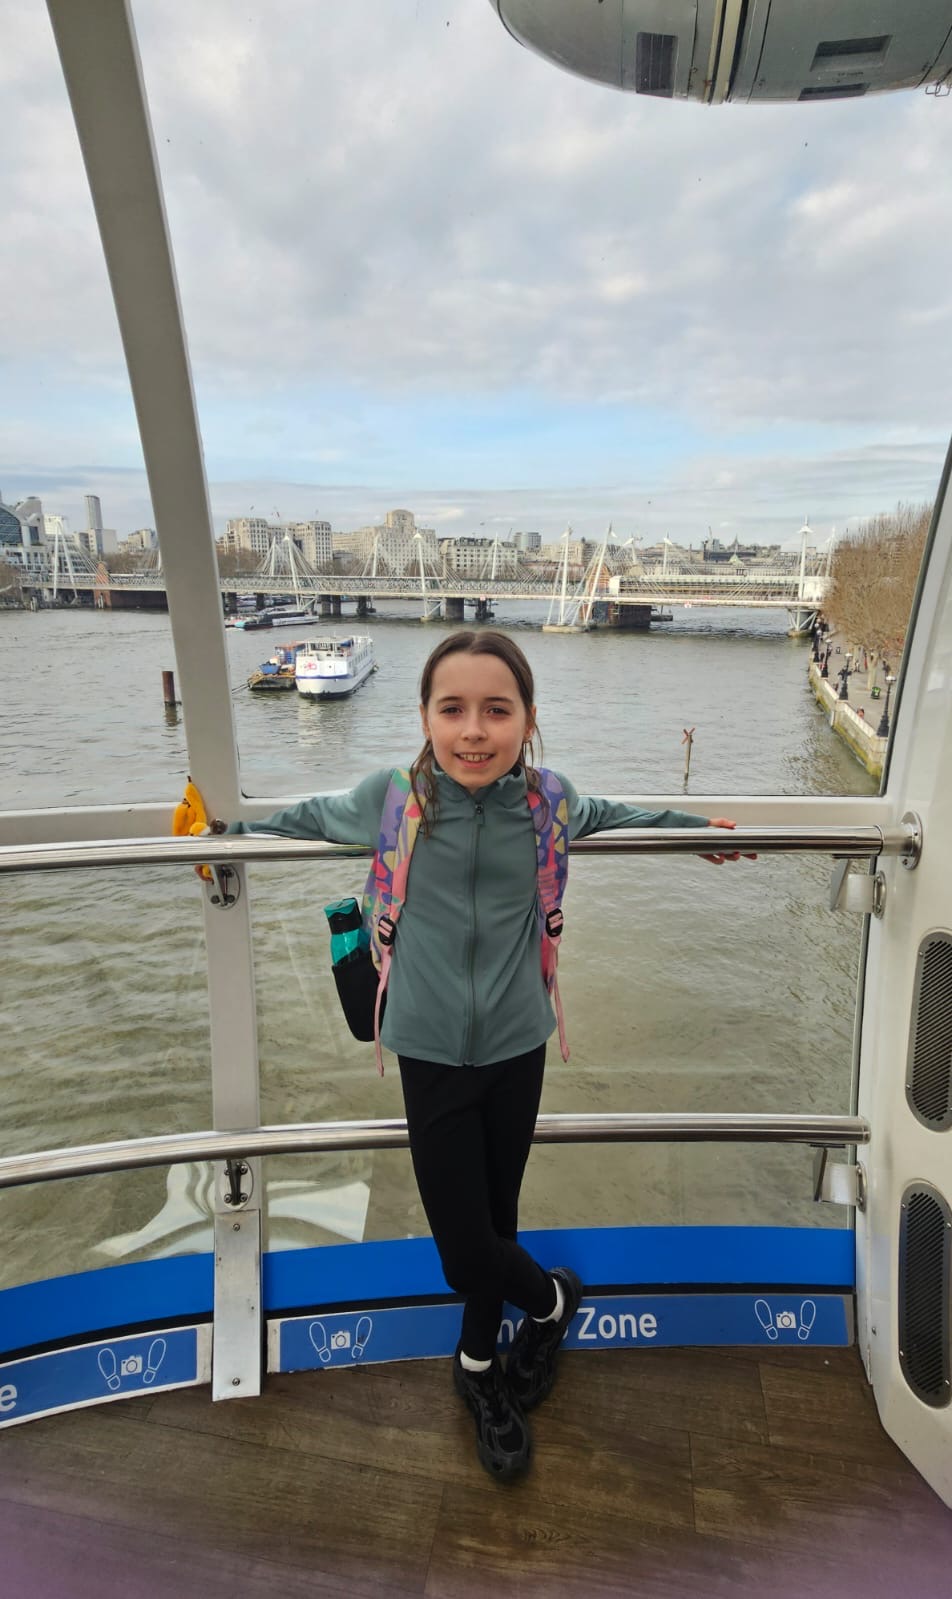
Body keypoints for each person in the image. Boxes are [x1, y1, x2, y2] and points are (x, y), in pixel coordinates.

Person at [206, 629, 753, 1481]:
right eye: (452, 708)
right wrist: (220, 838)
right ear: (424, 717)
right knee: (465, 1250)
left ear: (528, 719)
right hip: (427, 1048)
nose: (473, 730)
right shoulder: (391, 800)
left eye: (496, 710)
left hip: (517, 1043)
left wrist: (693, 833)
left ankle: (477, 1366)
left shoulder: (547, 803)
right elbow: (305, 817)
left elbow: (622, 816)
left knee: (496, 1220)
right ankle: (554, 1301)